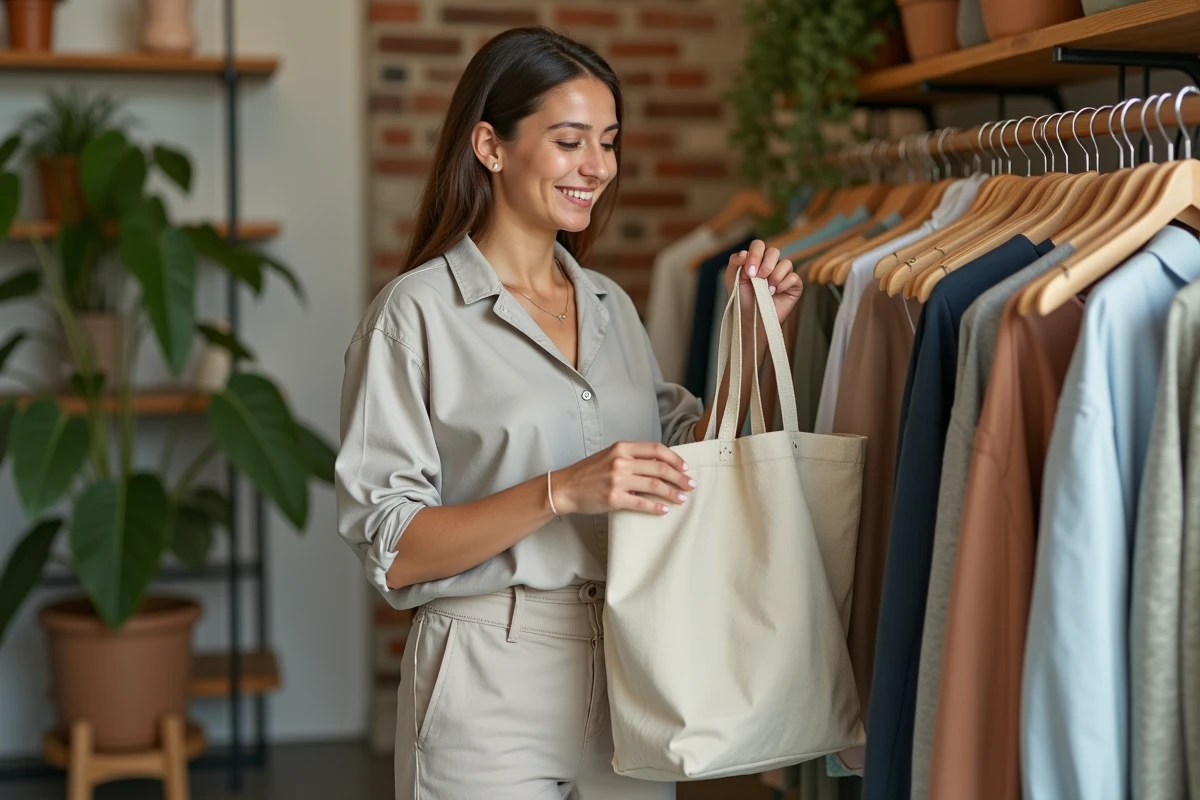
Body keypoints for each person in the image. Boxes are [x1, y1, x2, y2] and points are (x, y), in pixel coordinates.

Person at [334, 25, 802, 800]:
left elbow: (683, 461)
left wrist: (757, 341)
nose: (599, 167)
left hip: (631, 665)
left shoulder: (610, 305)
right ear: (490, 144)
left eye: (610, 142)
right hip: (490, 673)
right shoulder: (414, 316)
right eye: (570, 141)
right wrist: (559, 490)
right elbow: (393, 547)